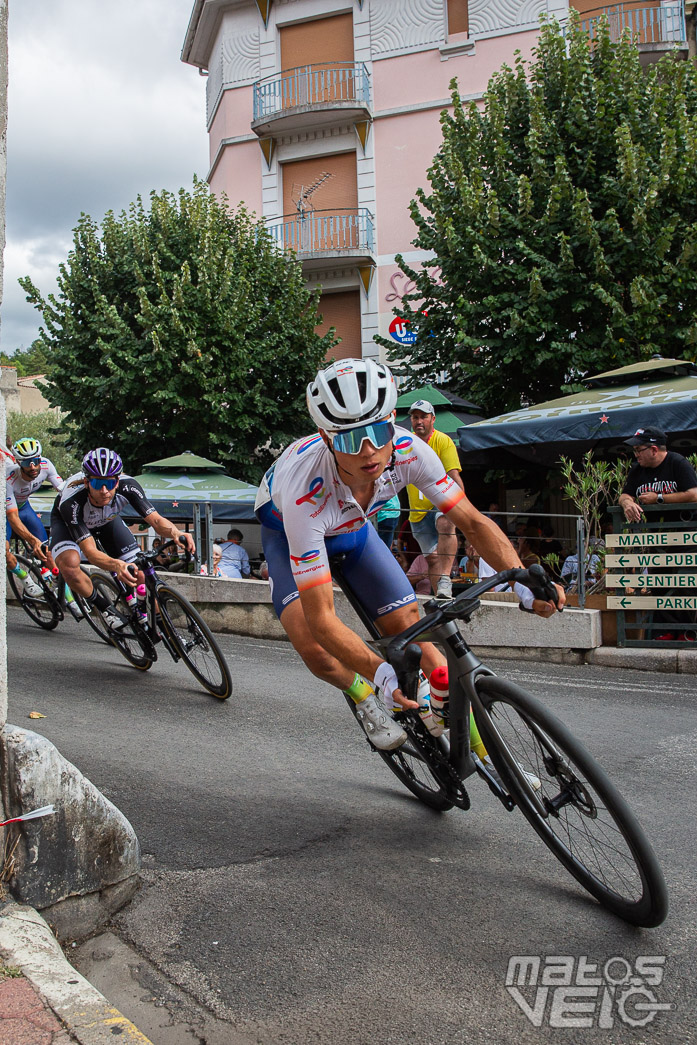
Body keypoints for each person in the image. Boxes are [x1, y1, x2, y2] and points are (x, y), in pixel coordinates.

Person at [255, 358, 564, 752]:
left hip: (352, 528)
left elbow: (470, 521)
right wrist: (380, 674)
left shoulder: (408, 451)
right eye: (351, 440)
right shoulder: (305, 494)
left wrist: (524, 583)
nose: (370, 451)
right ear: (327, 437)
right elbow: (322, 619)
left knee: (415, 634)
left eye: (379, 431)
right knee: (313, 643)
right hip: (288, 530)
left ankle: (490, 756)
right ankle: (363, 697)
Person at [50, 447, 196, 631]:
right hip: (69, 523)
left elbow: (156, 520)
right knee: (70, 565)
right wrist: (117, 565)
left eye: (110, 484)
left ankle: (157, 622)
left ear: (117, 481)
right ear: (87, 482)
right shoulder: (71, 501)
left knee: (141, 572)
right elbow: (90, 552)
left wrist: (175, 533)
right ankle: (105, 609)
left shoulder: (129, 486)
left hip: (106, 521)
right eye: (97, 484)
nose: (104, 491)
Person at [619, 426, 697, 640]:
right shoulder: (638, 470)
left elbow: (694, 494)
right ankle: (668, 631)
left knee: (685, 585)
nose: (635, 455)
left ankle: (688, 632)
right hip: (657, 537)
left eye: (638, 450)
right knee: (660, 583)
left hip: (685, 536)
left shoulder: (677, 463)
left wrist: (659, 498)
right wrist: (627, 503)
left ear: (653, 449)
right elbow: (625, 494)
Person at [406, 400, 464, 599]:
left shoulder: (443, 440)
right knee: (431, 559)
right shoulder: (405, 443)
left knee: (446, 522)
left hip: (440, 499)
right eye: (415, 417)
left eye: (423, 416)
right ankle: (440, 595)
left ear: (433, 419)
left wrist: (463, 506)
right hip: (417, 509)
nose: (419, 421)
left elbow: (454, 475)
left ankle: (446, 579)